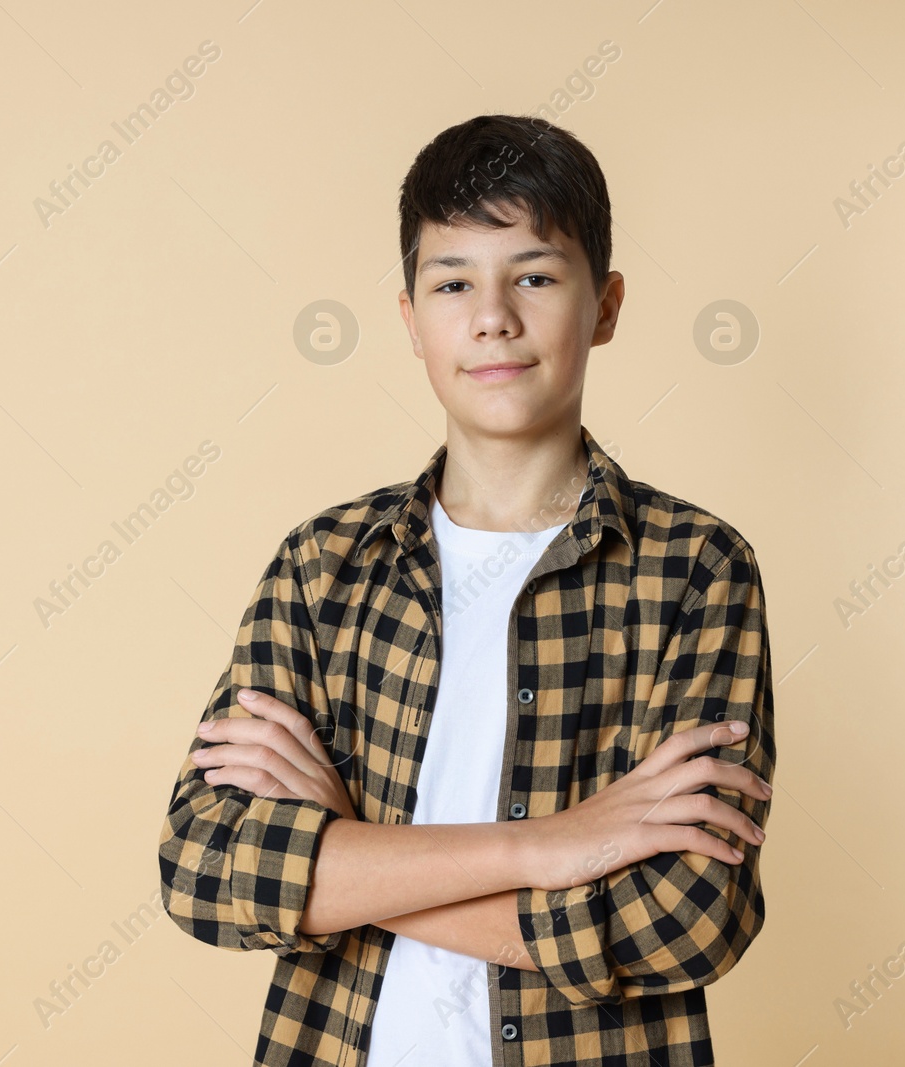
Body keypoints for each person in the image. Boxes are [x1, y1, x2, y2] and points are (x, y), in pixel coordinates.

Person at [157, 113, 775, 1067]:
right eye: (453, 283)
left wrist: (350, 853)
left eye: (534, 275)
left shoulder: (693, 568)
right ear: (410, 318)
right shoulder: (325, 566)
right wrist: (553, 846)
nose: (493, 316)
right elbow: (207, 866)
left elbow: (687, 919)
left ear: (604, 306)